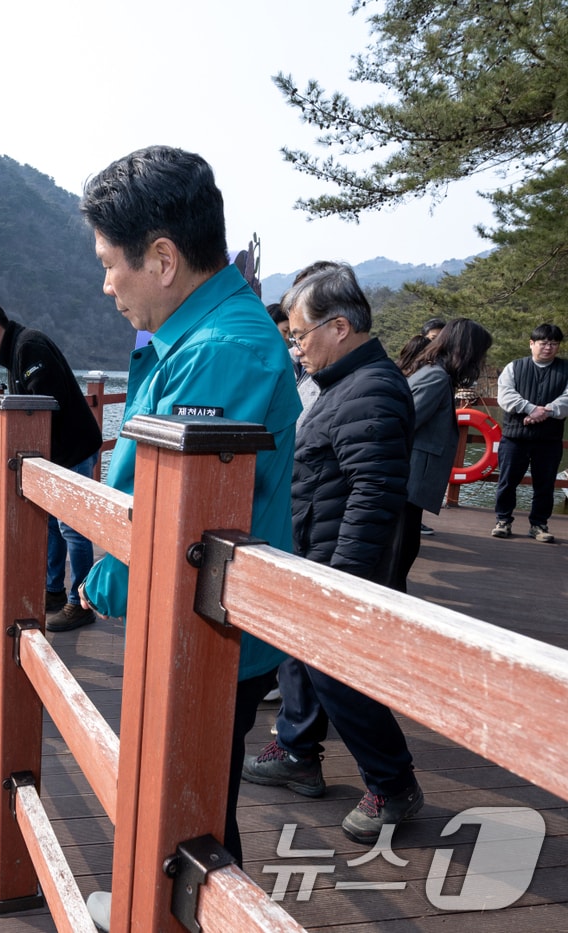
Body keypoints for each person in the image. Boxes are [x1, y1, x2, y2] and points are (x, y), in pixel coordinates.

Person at [73, 146, 301, 928]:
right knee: (186, 799)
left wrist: (102, 580)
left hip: (204, 631)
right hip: (193, 617)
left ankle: (184, 915)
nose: (107, 284)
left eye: (111, 264)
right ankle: (152, 903)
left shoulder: (217, 352)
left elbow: (174, 510)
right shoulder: (197, 335)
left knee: (195, 812)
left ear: (163, 260)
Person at [241, 262, 423, 846]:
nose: (296, 348)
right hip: (313, 551)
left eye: (300, 335)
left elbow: (375, 494)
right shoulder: (345, 383)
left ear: (339, 327)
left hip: (336, 564)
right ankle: (298, 753)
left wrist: (340, 581)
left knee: (339, 677)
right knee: (300, 661)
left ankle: (393, 785)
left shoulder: (371, 389)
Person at [0, 300, 104, 630]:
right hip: (58, 453)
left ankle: (81, 603)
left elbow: (41, 407)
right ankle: (54, 591)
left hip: (73, 450)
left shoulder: (29, 347)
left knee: (72, 528)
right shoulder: (18, 350)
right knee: (53, 524)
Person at [394, 319, 494, 584]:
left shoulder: (433, 372)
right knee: (401, 549)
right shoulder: (436, 378)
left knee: (405, 545)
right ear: (467, 350)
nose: (481, 360)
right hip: (410, 477)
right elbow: (404, 423)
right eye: (481, 353)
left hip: (411, 478)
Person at [491, 323, 568, 543]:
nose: (548, 347)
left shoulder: (565, 369)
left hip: (549, 439)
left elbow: (567, 398)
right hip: (515, 438)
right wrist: (530, 409)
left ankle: (539, 525)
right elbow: (505, 396)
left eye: (554, 343)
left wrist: (545, 411)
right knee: (507, 481)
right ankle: (503, 520)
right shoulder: (514, 367)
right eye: (543, 343)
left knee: (545, 485)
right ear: (531, 344)